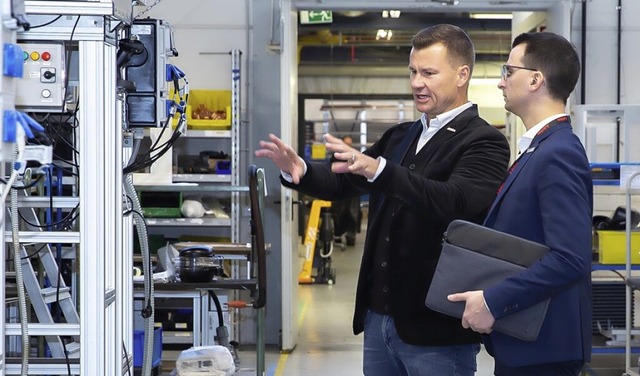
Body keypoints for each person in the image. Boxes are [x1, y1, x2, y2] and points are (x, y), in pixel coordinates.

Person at [256, 24, 510, 375]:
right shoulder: (401, 136)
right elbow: (345, 180)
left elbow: (456, 202)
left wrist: (381, 171)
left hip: (436, 329)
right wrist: (301, 170)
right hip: (380, 320)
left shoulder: (484, 141)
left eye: (429, 73)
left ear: (462, 74)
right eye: (413, 72)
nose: (417, 82)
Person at [447, 31, 593, 376]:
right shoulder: (540, 148)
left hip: (544, 349)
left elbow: (570, 258)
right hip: (528, 344)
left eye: (508, 71)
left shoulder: (558, 154)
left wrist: (493, 300)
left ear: (535, 80)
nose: (501, 82)